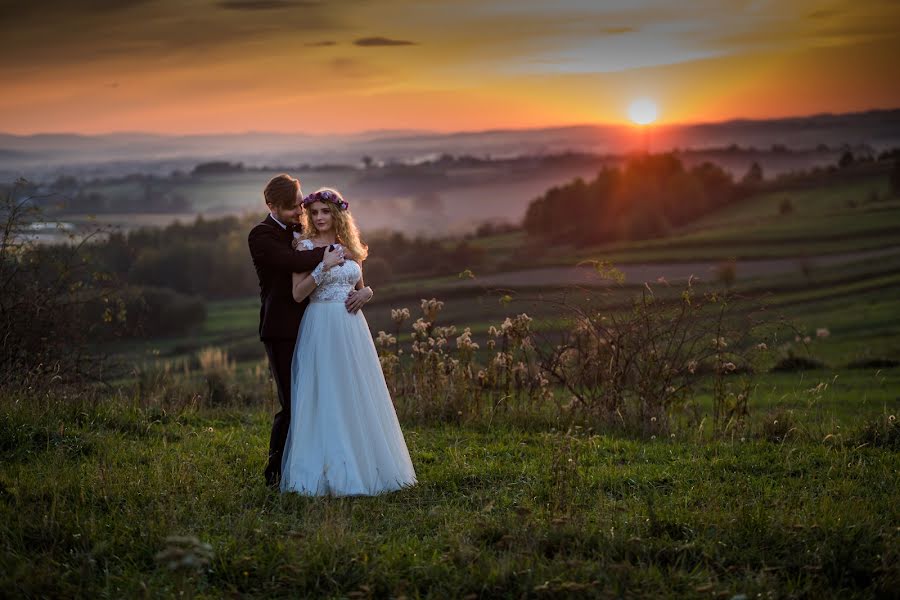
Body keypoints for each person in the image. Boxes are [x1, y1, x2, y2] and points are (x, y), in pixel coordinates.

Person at [280, 187, 417, 496]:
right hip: (321, 324)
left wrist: (367, 294)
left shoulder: (349, 246)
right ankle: (330, 469)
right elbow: (297, 294)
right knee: (327, 392)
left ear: (337, 214)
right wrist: (321, 267)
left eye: (325, 211)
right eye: (313, 212)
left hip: (353, 329)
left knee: (356, 391)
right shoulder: (304, 247)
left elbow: (361, 287)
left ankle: (370, 465)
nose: (318, 217)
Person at [248, 174, 344, 488]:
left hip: (313, 326)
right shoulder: (260, 235)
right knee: (291, 403)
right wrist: (328, 252)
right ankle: (274, 473)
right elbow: (289, 260)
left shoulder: (300, 231)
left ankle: (312, 466)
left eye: (298, 205)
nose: (298, 212)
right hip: (281, 329)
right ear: (270, 205)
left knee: (316, 399)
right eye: (291, 208)